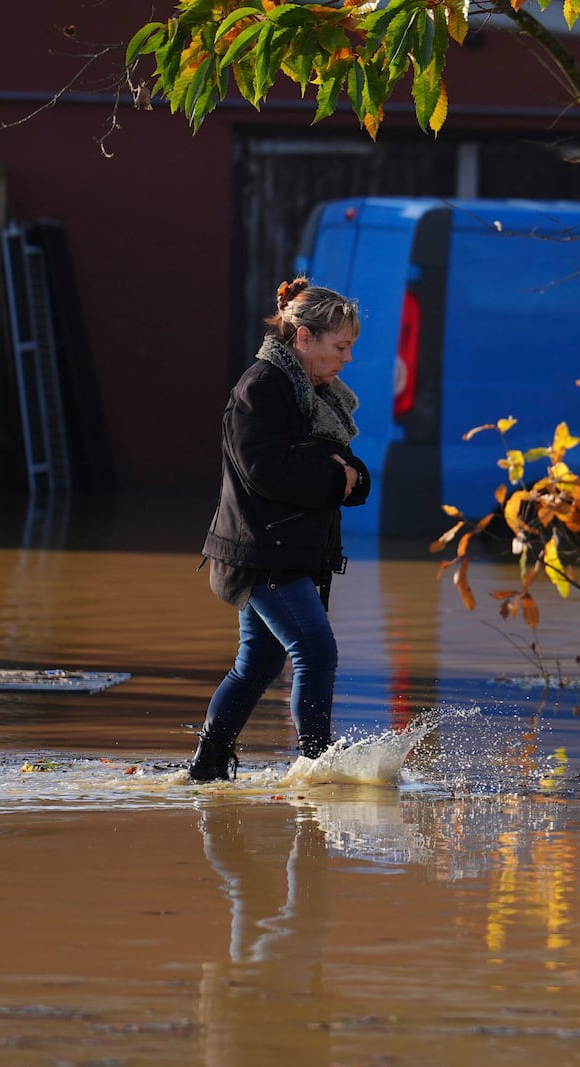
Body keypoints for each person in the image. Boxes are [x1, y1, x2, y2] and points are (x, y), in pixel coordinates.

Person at [188, 277, 371, 781]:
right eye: (341, 346)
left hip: (289, 552)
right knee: (314, 649)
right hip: (260, 552)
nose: (347, 358)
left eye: (350, 346)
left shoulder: (320, 396)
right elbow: (267, 472)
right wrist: (337, 473)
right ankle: (318, 768)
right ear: (304, 337)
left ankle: (205, 769)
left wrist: (346, 475)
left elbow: (354, 476)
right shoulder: (262, 387)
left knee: (258, 665)